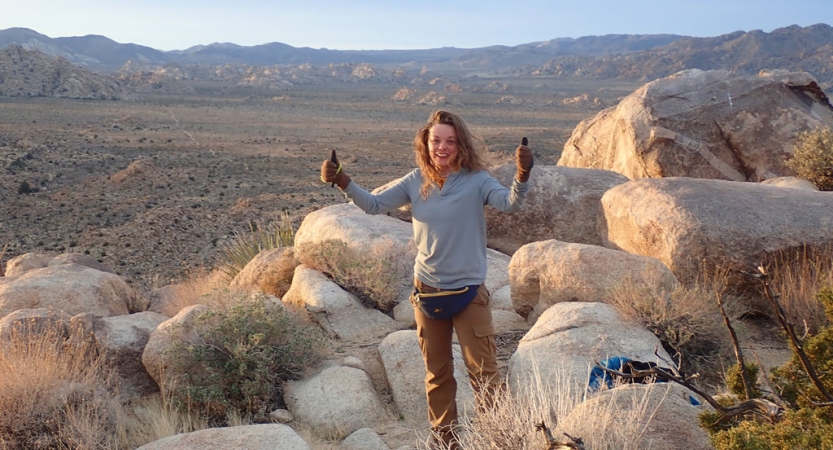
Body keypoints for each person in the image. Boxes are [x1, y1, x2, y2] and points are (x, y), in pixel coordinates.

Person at [320, 110, 533, 449]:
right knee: (438, 374)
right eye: (436, 141)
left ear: (460, 144)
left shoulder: (477, 180)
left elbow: (511, 204)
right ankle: (445, 441)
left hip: (469, 292)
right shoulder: (415, 180)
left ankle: (500, 438)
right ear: (426, 143)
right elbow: (375, 205)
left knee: (485, 373)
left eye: (450, 141)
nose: (442, 148)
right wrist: (343, 181)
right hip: (428, 292)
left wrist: (522, 173)